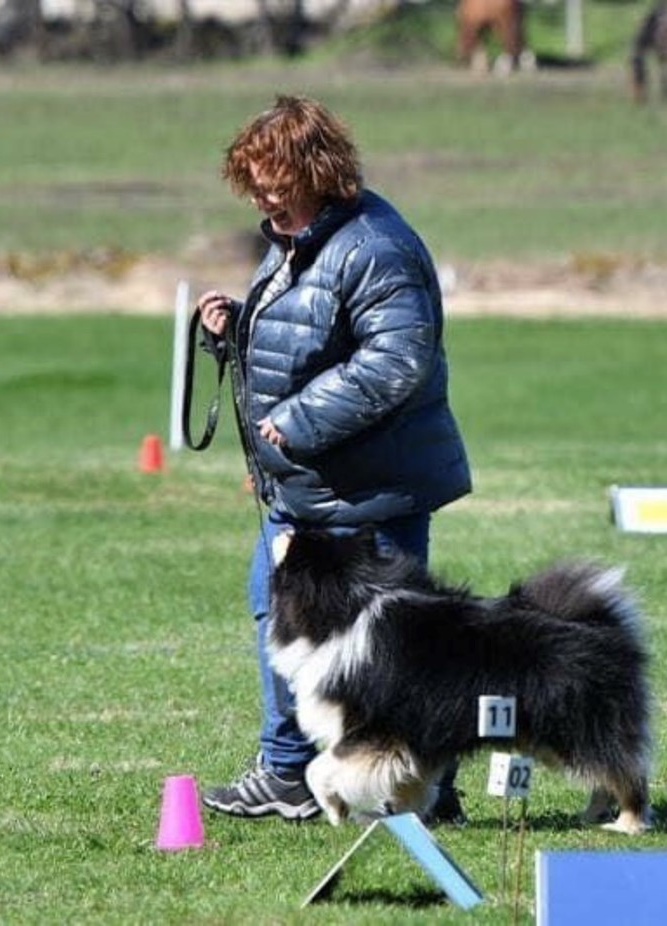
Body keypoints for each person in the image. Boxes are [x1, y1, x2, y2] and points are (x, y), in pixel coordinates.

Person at [196, 95, 471, 824]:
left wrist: (299, 421)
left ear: (316, 170)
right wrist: (233, 329)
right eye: (250, 179)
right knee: (278, 615)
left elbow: (397, 361)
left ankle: (423, 789)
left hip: (370, 490)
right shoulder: (293, 242)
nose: (260, 194)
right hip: (307, 488)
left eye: (272, 178)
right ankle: (289, 770)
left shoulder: (374, 244)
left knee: (389, 652)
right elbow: (302, 339)